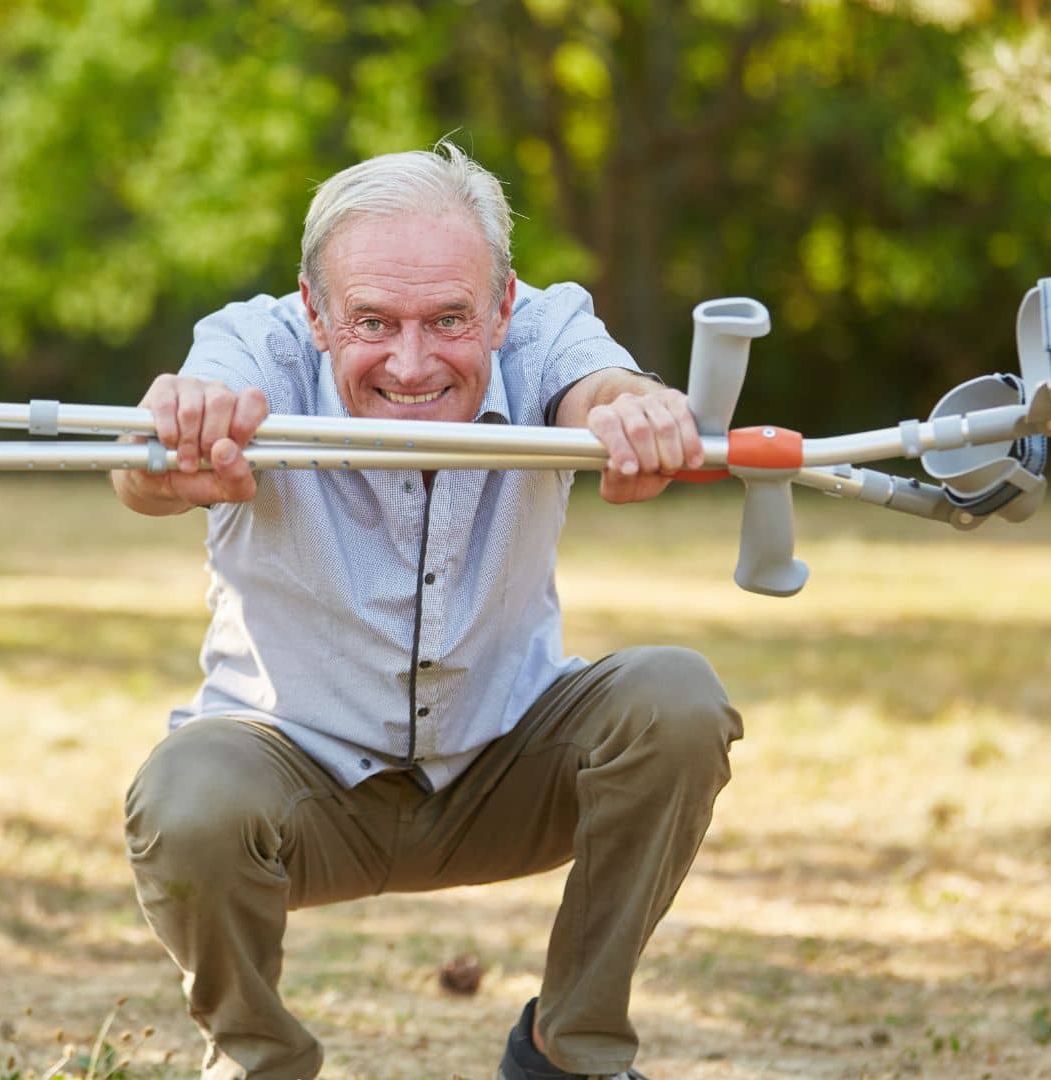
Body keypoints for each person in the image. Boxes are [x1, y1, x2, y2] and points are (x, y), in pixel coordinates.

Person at [114, 142, 742, 1080]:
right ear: (316, 312)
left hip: (504, 768)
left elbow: (601, 389)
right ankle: (257, 1060)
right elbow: (142, 468)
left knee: (678, 700)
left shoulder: (548, 327)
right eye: (374, 321)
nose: (413, 363)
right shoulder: (253, 344)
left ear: (501, 306)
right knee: (186, 795)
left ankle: (569, 1055)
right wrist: (171, 448)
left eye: (450, 319)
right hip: (298, 788)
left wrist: (633, 411)